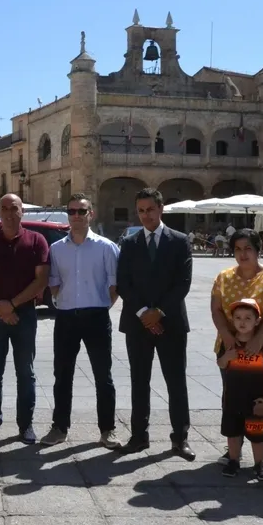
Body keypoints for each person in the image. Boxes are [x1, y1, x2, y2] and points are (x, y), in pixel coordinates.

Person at [115, 187, 195, 460]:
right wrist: (143, 314)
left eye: (150, 209)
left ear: (161, 209)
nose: (145, 215)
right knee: (139, 381)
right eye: (140, 210)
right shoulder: (129, 243)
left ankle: (180, 438)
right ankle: (139, 436)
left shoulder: (180, 241)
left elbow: (182, 283)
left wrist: (158, 312)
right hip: (137, 324)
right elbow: (124, 283)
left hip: (170, 322)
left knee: (176, 381)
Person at [40, 194, 121, 449]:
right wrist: (62, 299)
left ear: (91, 214)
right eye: (72, 211)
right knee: (62, 375)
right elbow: (53, 282)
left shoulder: (106, 247)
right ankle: (60, 427)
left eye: (81, 211)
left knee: (103, 376)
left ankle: (107, 429)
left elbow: (114, 285)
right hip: (65, 318)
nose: (76, 216)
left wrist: (100, 305)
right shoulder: (57, 249)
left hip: (96, 316)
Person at [0, 193, 49, 443]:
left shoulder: (37, 241)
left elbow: (41, 279)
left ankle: (25, 425)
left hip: (24, 315)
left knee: (25, 372)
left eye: (13, 207)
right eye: (3, 208)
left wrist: (12, 305)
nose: (7, 212)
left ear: (21, 211)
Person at [210, 228, 263, 472]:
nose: (243, 254)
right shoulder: (224, 277)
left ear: (258, 250)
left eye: (248, 248)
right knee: (234, 398)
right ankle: (234, 449)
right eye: (238, 249)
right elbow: (217, 310)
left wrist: (259, 339)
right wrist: (226, 335)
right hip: (230, 350)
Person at [216, 298, 263, 482]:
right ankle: (234, 461)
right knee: (233, 433)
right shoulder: (228, 343)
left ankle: (259, 465)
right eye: (238, 318)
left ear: (257, 321)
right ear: (232, 320)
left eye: (247, 318)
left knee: (257, 435)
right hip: (232, 398)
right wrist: (227, 356)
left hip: (255, 400)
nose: (242, 322)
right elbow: (220, 363)